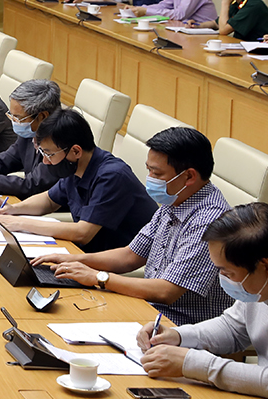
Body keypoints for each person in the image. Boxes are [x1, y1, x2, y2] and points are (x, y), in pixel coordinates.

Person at [29, 127, 230, 324]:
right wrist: (72, 260)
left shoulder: (209, 221)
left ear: (189, 176)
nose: (150, 179)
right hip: (147, 307)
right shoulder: (176, 201)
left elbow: (167, 291)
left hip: (181, 325)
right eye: (149, 170)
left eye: (157, 173)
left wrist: (98, 277)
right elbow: (130, 256)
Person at [136, 202, 268, 397]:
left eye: (228, 272)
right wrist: (177, 336)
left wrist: (195, 364)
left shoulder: (258, 286)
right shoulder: (259, 287)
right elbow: (232, 328)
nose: (222, 278)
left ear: (267, 267)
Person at [0, 109, 155, 251]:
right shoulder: (74, 166)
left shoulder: (111, 176)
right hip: (87, 253)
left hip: (119, 261)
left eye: (49, 154)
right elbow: (49, 200)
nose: (45, 161)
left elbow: (83, 233)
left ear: (76, 151)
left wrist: (20, 223)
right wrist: (13, 210)